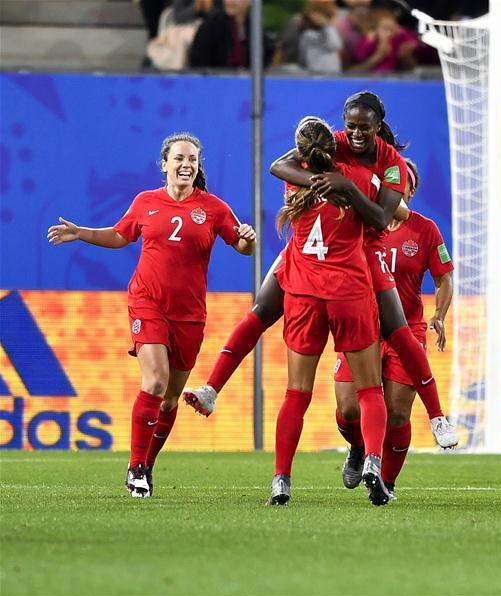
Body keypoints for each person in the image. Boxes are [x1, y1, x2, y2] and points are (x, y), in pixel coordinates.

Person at [183, 90, 459, 449]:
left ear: (379, 127)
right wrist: (321, 186)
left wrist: (345, 188)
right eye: (350, 127)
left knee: (398, 329)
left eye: (365, 128)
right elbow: (278, 166)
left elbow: (383, 216)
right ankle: (211, 389)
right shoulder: (332, 146)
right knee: (261, 312)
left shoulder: (391, 164)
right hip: (312, 251)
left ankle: (437, 416)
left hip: (362, 251)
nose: (355, 135)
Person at [47, 132, 256, 498]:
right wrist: (81, 233)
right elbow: (120, 235)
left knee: (171, 399)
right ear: (164, 164)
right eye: (178, 158)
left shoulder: (214, 208)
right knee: (155, 383)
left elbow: (240, 246)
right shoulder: (146, 202)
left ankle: (147, 464)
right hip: (147, 302)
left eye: (192, 159)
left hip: (189, 315)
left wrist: (248, 239)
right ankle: (135, 466)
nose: (186, 164)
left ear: (198, 166)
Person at [271, 116, 391, 507]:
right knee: (370, 388)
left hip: (304, 295)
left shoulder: (295, 182)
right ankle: (373, 460)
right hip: (349, 292)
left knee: (296, 393)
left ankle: (281, 480)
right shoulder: (355, 178)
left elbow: (279, 164)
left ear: (301, 151)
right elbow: (382, 218)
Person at [333, 159, 453, 499]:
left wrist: (440, 314)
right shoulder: (360, 222)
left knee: (398, 412)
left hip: (406, 329)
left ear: (410, 191)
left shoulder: (425, 229)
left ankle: (386, 484)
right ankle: (358, 446)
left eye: (402, 187)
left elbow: (444, 278)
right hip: (361, 324)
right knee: (348, 408)